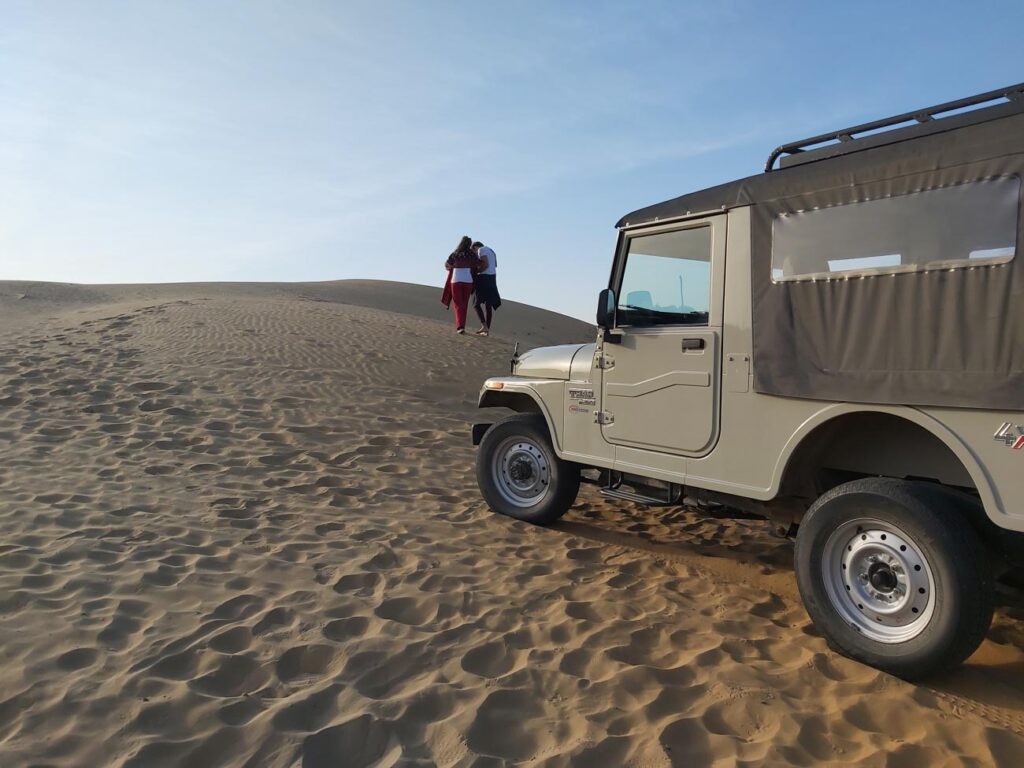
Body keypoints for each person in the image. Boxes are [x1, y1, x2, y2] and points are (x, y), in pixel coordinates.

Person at [441, 235, 479, 334]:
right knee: (464, 304)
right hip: (468, 281)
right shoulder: (471, 254)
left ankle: (460, 327)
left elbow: (446, 264)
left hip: (456, 281)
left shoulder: (455, 253)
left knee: (458, 304)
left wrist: (452, 267)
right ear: (469, 244)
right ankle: (462, 326)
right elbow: (478, 263)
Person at [471, 240, 501, 336]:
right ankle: (486, 330)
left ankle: (484, 326)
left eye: (474, 251)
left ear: (475, 247)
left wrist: (477, 272)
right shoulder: (492, 251)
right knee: (488, 305)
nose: (475, 253)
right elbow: (494, 265)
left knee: (475, 303)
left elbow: (486, 264)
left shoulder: (481, 250)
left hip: (484, 278)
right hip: (492, 278)